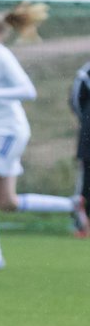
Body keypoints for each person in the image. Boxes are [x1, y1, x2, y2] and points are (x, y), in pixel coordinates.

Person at [0, 4, 83, 269]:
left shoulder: (2, 56)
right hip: (2, 132)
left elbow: (28, 91)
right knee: (7, 202)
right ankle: (73, 204)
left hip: (8, 132)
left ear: (0, 34)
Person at [67, 60, 90, 238]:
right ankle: (82, 225)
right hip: (88, 139)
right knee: (86, 184)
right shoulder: (86, 71)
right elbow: (76, 100)